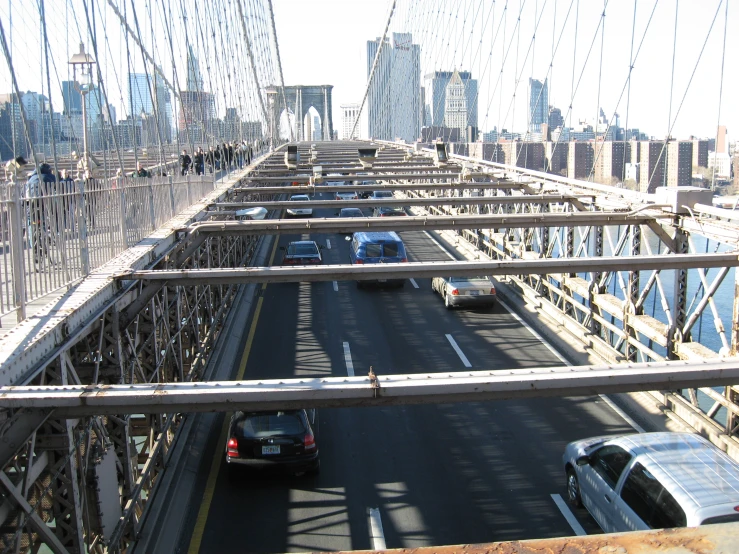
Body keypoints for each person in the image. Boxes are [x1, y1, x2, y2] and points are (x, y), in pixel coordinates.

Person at [24, 163, 57, 265]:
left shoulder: (30, 180)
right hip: (42, 207)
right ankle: (43, 246)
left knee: (31, 228)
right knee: (42, 226)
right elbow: (56, 185)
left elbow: (23, 196)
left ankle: (34, 249)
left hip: (31, 208)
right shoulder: (49, 177)